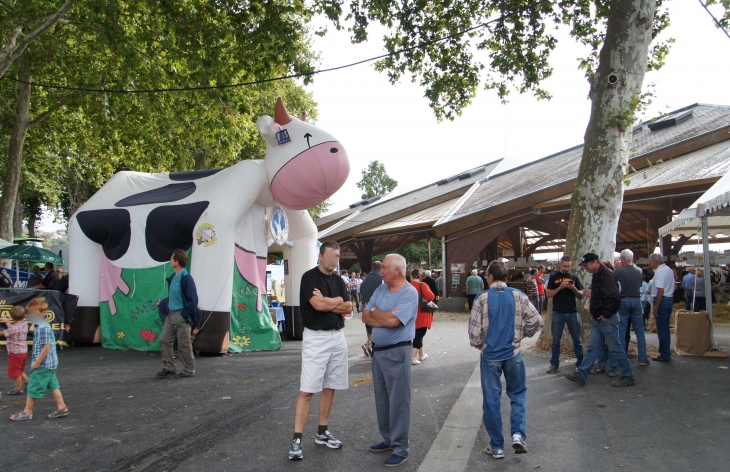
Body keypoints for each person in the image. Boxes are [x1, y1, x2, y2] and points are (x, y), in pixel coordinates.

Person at [469, 260, 541, 459]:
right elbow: (536, 320)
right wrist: (522, 335)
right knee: (517, 394)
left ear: (490, 276)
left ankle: (497, 446)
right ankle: (518, 434)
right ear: (506, 277)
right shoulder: (519, 296)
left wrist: (480, 345)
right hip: (513, 353)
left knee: (491, 400)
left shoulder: (481, 299)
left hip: (490, 355)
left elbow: (474, 333)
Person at [288, 241, 352, 461]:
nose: (336, 259)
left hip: (337, 337)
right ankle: (297, 439)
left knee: (330, 385)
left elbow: (349, 307)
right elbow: (319, 306)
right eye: (333, 255)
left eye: (338, 255)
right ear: (322, 255)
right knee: (308, 389)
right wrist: (336, 301)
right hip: (316, 337)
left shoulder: (338, 280)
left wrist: (329, 301)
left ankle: (322, 432)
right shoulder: (309, 278)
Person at [362, 254, 418, 467]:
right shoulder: (381, 288)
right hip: (379, 351)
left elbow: (394, 321)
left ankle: (401, 447)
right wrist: (380, 314)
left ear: (397, 270)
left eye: (385, 268)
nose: (381, 271)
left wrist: (376, 311)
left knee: (399, 400)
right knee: (382, 398)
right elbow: (365, 316)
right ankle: (388, 439)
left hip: (397, 351)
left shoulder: (409, 293)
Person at [565, 253, 635, 387]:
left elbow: (614, 298)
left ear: (594, 262)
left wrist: (607, 315)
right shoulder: (598, 274)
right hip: (598, 317)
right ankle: (582, 374)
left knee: (615, 348)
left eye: (586, 265)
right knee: (592, 348)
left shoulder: (607, 276)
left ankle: (628, 375)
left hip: (605, 319)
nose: (585, 268)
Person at [10, 298, 69, 420]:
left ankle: (27, 412)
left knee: (33, 386)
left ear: (42, 313)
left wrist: (37, 363)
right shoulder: (43, 326)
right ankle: (61, 407)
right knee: (53, 385)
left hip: (43, 364)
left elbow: (46, 347)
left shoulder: (42, 328)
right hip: (49, 364)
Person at [156, 250, 203, 379]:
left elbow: (193, 300)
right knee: (164, 340)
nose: (170, 260)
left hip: (181, 315)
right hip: (171, 315)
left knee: (183, 345)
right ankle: (169, 368)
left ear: (177, 262)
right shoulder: (174, 277)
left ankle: (189, 370)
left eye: (172, 259)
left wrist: (184, 314)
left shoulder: (186, 278)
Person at [545, 255, 584, 374]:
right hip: (558, 313)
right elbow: (548, 294)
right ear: (560, 265)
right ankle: (554, 363)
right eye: (564, 266)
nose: (566, 269)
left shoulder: (574, 277)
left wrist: (573, 289)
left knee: (577, 339)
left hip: (572, 312)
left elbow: (581, 295)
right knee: (556, 340)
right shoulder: (553, 277)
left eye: (568, 266)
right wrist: (559, 288)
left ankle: (581, 363)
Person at [615, 249, 649, 366]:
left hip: (623, 300)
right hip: (636, 300)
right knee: (640, 331)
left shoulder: (618, 272)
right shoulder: (639, 271)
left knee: (622, 330)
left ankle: (622, 358)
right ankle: (643, 358)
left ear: (623, 259)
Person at [650, 253, 675, 362]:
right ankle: (666, 352)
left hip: (662, 300)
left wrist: (656, 307)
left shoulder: (659, 271)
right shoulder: (668, 269)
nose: (650, 263)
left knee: (662, 328)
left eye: (651, 261)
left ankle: (664, 354)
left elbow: (660, 290)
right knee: (665, 327)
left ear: (655, 261)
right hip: (669, 299)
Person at [1, 306, 29, 395]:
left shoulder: (13, 329)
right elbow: (13, 330)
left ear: (12, 317)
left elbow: (5, 333)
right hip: (23, 352)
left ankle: (18, 388)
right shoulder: (25, 324)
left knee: (16, 372)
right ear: (24, 316)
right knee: (20, 369)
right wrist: (7, 322)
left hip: (15, 353)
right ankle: (28, 382)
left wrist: (8, 322)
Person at [410, 269, 435, 365]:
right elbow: (431, 296)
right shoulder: (423, 285)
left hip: (411, 314)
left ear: (411, 276)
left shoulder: (406, 286)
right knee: (419, 335)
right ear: (420, 276)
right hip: (422, 313)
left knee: (417, 334)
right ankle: (413, 357)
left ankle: (422, 354)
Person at [360, 261, 384, 357]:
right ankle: (374, 349)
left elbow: (361, 294)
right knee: (379, 329)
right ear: (380, 267)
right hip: (379, 308)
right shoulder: (382, 278)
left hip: (366, 307)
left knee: (370, 330)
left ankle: (369, 344)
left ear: (372, 267)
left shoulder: (365, 279)